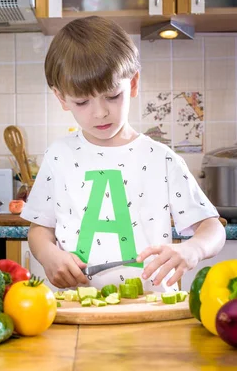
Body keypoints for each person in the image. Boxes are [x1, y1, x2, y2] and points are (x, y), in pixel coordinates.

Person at [19, 16, 226, 292]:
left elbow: (213, 228)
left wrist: (193, 250)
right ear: (61, 98)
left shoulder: (160, 158)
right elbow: (39, 230)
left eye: (113, 96)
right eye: (82, 102)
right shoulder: (58, 156)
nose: (100, 112)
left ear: (133, 84)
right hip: (79, 307)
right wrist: (48, 256)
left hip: (151, 309)